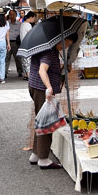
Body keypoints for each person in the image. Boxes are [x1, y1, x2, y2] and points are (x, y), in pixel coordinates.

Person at [27, 35, 73, 169]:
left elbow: (50, 69)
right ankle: (43, 158)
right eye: (66, 43)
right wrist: (49, 87)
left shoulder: (48, 48)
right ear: (61, 40)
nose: (65, 47)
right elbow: (42, 70)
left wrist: (64, 68)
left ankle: (36, 154)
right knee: (46, 122)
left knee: (41, 119)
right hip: (41, 89)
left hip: (36, 87)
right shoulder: (49, 51)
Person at [19, 11, 37, 80]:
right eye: (34, 18)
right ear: (31, 17)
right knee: (28, 61)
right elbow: (31, 35)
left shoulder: (23, 24)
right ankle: (29, 76)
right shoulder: (28, 25)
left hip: (22, 44)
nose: (34, 20)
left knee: (24, 61)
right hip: (28, 45)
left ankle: (25, 75)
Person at [6, 9, 22, 78]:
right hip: (7, 42)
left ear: (16, 15)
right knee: (6, 58)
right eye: (10, 14)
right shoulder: (6, 23)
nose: (12, 16)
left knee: (18, 58)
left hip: (15, 43)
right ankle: (4, 72)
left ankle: (20, 71)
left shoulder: (19, 24)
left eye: (13, 14)